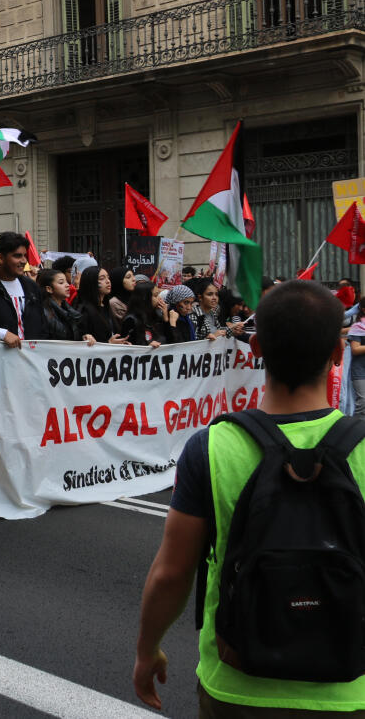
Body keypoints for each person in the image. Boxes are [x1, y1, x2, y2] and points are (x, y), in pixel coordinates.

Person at [134, 280, 365, 713]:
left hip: (236, 687)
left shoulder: (211, 448)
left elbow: (171, 573)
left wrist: (147, 650)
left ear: (256, 348)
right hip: (352, 689)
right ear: (337, 354)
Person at [73, 267, 128, 344]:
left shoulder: (106, 306)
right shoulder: (84, 310)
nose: (108, 281)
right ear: (91, 282)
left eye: (108, 277)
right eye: (102, 278)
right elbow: (82, 342)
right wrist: (109, 343)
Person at [37, 269, 88, 342]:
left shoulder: (68, 309)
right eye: (61, 283)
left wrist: (84, 336)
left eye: (67, 282)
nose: (67, 285)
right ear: (49, 289)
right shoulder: (44, 312)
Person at [119, 281, 169, 347]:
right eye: (155, 295)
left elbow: (169, 340)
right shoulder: (131, 320)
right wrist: (147, 347)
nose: (159, 299)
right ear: (144, 298)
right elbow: (128, 347)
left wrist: (166, 319)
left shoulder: (157, 315)